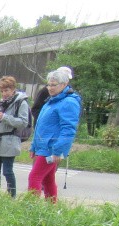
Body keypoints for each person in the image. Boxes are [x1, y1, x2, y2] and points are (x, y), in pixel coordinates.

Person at [28, 68, 81, 202]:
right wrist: (34, 146)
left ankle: (29, 209)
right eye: (49, 85)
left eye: (54, 85)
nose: (50, 88)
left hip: (51, 149)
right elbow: (40, 126)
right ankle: (52, 209)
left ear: (64, 85)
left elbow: (68, 130)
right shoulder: (51, 101)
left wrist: (58, 151)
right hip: (42, 147)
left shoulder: (69, 102)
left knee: (34, 177)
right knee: (48, 179)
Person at [0, 76, 29, 198]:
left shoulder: (21, 102)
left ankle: (11, 197)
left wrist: (4, 117)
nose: (4, 94)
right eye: (2, 91)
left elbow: (23, 122)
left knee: (7, 171)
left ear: (13, 89)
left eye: (7, 90)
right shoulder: (1, 103)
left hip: (10, 141)